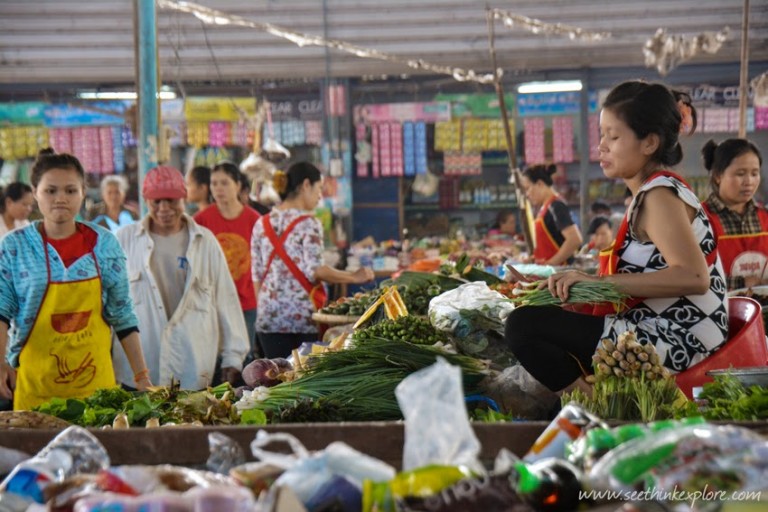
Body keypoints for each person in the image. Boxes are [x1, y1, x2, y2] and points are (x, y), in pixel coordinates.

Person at [505, 81, 728, 393]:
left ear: (649, 142)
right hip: (657, 327)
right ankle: (593, 403)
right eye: (602, 136)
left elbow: (693, 276)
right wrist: (553, 288)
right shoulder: (648, 193)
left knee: (524, 327)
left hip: (680, 336)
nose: (602, 146)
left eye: (614, 136)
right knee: (534, 318)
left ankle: (593, 406)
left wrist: (595, 283)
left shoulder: (659, 195)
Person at [0, 149, 151, 410]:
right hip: (35, 387)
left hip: (96, 391)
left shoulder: (104, 244)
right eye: (51, 191)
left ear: (83, 192)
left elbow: (123, 314)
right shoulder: (14, 247)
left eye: (70, 191)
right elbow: (1, 311)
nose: (61, 199)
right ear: (35, 192)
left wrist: (142, 377)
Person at [114, 165, 248, 390]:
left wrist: (233, 357)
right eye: (156, 202)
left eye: (171, 201)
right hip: (138, 373)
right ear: (146, 201)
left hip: (193, 368)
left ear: (184, 198)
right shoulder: (124, 240)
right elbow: (111, 303)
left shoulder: (205, 242)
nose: (164, 208)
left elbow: (225, 298)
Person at [251, 162, 374, 358]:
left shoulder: (261, 223)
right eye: (319, 188)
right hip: (301, 318)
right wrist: (354, 277)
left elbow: (256, 275)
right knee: (299, 378)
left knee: (274, 378)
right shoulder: (309, 223)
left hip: (268, 319)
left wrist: (268, 307)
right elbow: (316, 271)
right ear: (306, 185)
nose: (320, 196)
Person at [194, 162, 261, 363]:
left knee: (245, 358)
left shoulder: (254, 220)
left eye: (224, 183)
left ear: (238, 185)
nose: (218, 189)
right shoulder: (201, 220)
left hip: (247, 301)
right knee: (214, 359)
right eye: (214, 184)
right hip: (212, 301)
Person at [701, 139, 766, 290]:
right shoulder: (699, 218)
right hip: (720, 310)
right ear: (718, 176)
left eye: (754, 173)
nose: (749, 181)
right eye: (740, 174)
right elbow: (692, 277)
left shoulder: (765, 217)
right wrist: (741, 283)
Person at [520, 163, 582, 266]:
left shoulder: (556, 206)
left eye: (528, 188)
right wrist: (535, 259)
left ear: (540, 184)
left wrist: (551, 263)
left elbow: (575, 239)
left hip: (559, 274)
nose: (527, 194)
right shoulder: (545, 208)